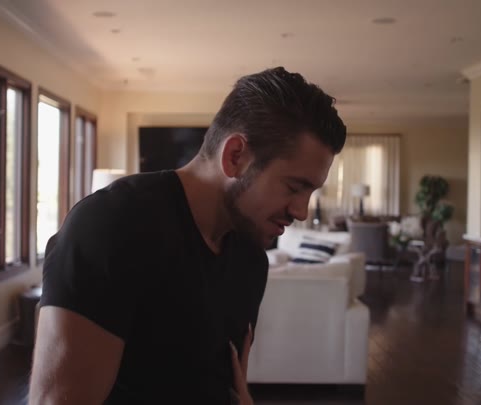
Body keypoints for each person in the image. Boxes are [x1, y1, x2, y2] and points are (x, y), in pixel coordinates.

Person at [28, 67, 347, 404]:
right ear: (235, 156)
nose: (301, 211)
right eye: (294, 187)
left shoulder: (251, 258)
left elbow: (230, 385)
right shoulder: (112, 226)